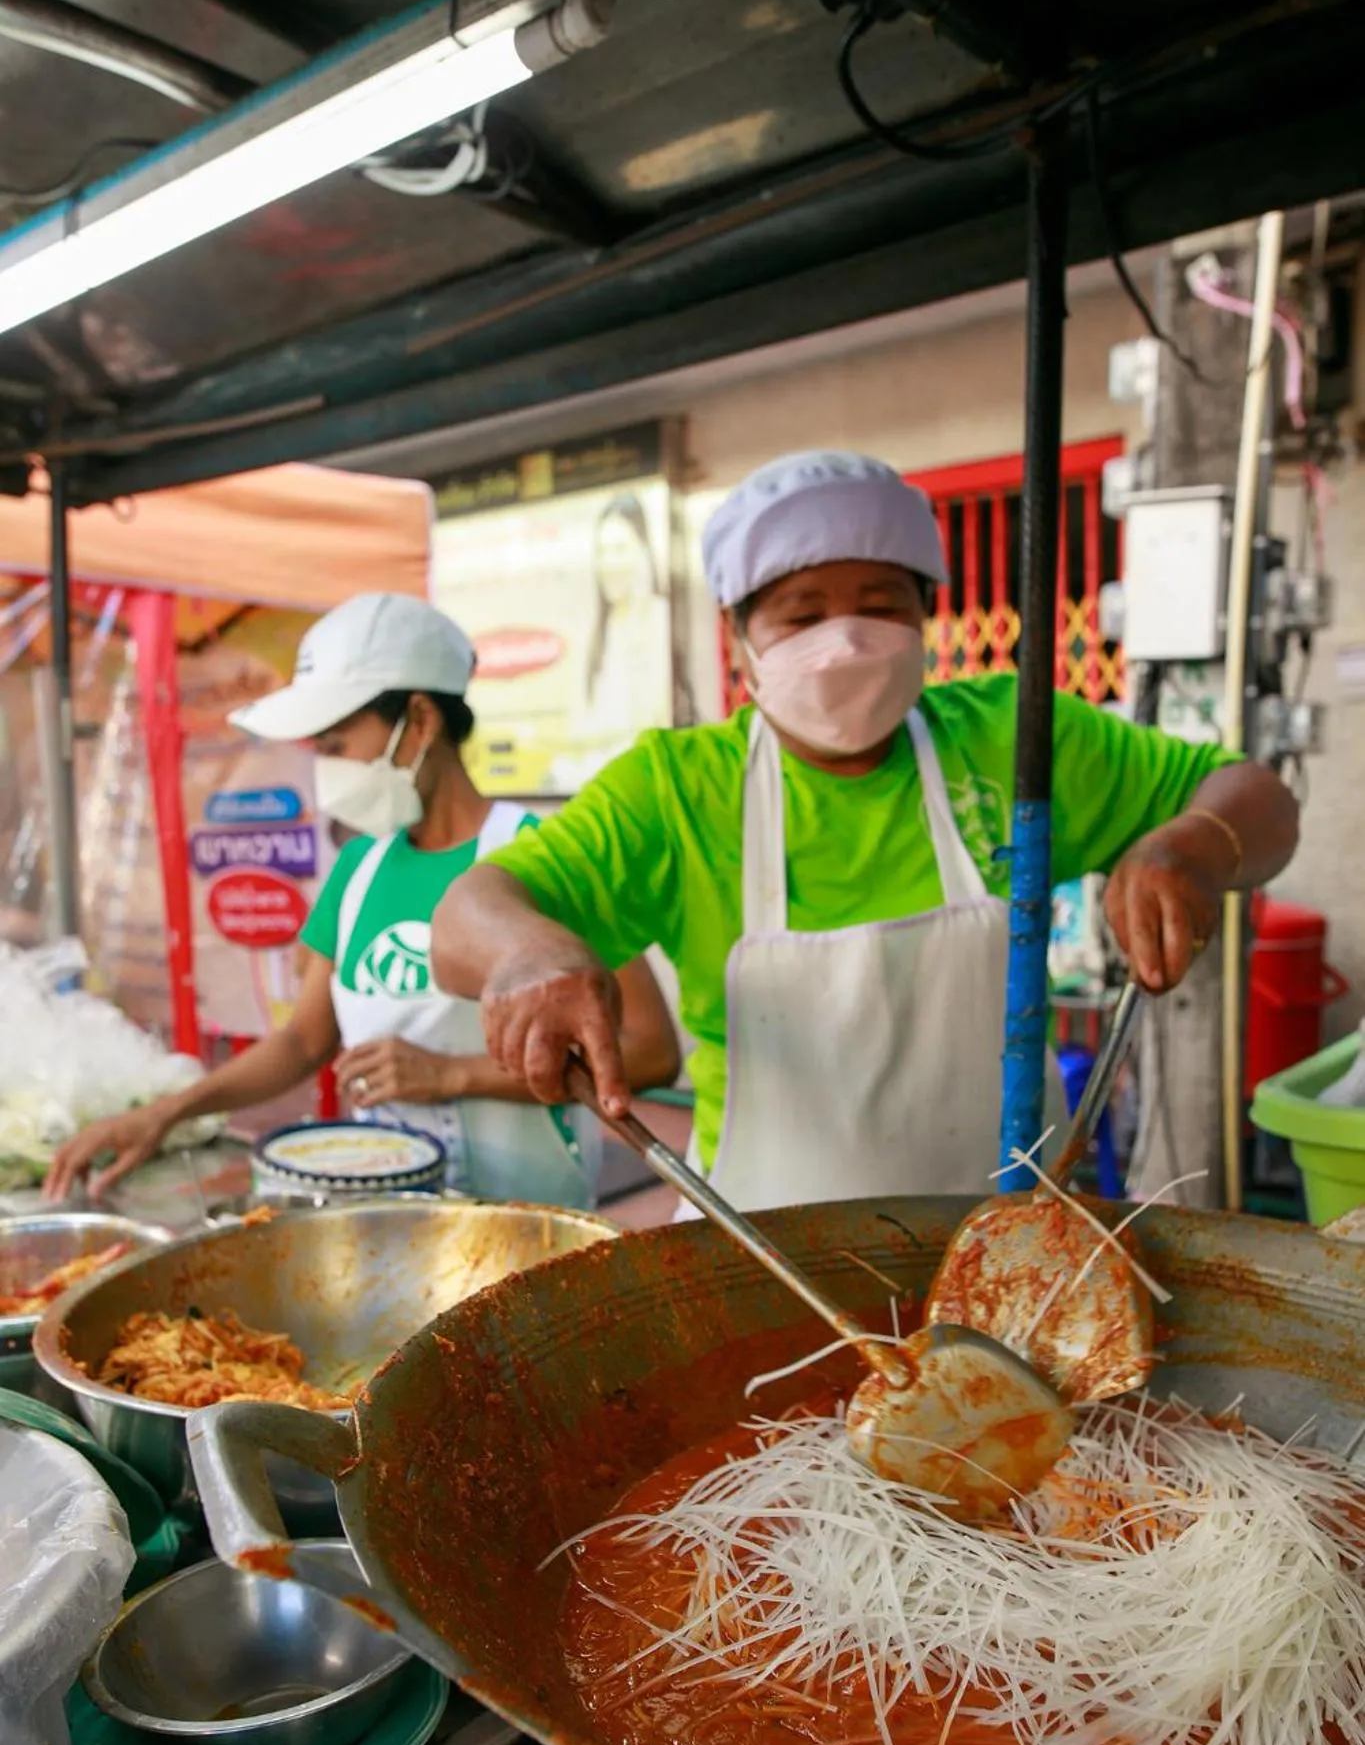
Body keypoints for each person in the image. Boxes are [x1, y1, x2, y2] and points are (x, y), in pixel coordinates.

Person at [428, 450, 1300, 1214]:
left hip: (1006, 1250)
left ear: (926, 616)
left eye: (878, 605)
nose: (842, 642)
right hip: (767, 1255)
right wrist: (528, 955)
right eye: (801, 616)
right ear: (739, 641)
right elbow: (472, 910)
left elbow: (1257, 797)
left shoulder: (1012, 737)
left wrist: (1186, 845)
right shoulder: (678, 789)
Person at [45, 592, 679, 1207]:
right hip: (393, 1224)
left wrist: (451, 1074)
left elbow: (651, 1052)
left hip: (533, 1223)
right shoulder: (359, 869)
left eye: (336, 747)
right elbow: (302, 1043)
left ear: (421, 722)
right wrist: (166, 1113)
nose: (327, 771)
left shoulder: (542, 853)